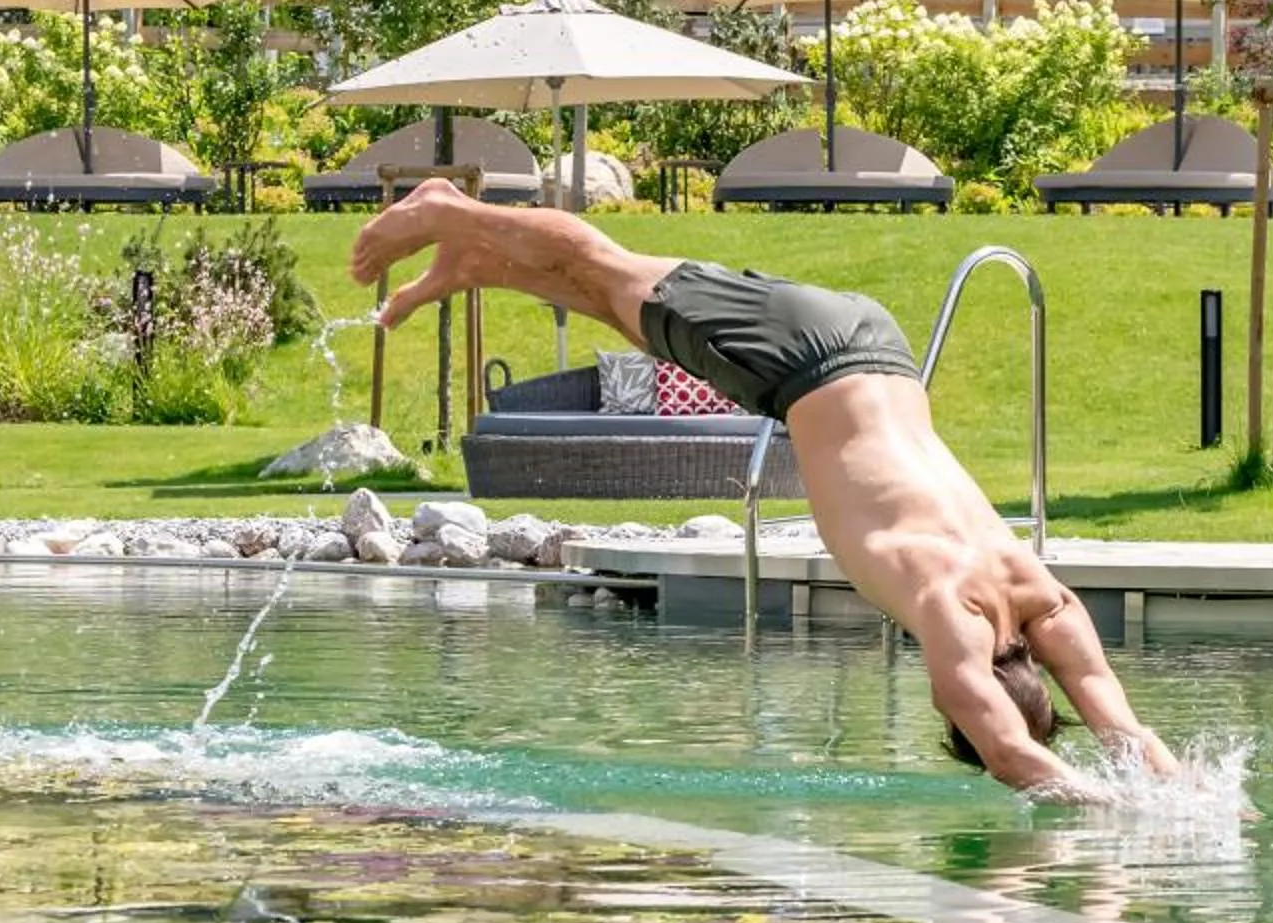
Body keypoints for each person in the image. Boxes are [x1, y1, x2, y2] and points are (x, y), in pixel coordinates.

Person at [352, 180, 1180, 801]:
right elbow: (1012, 756)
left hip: (869, 349)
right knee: (607, 266)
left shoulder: (1041, 600)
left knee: (614, 301)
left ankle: (471, 264)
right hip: (801, 363)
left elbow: (1126, 729)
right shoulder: (947, 613)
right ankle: (447, 207)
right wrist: (1118, 817)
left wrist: (1203, 803)